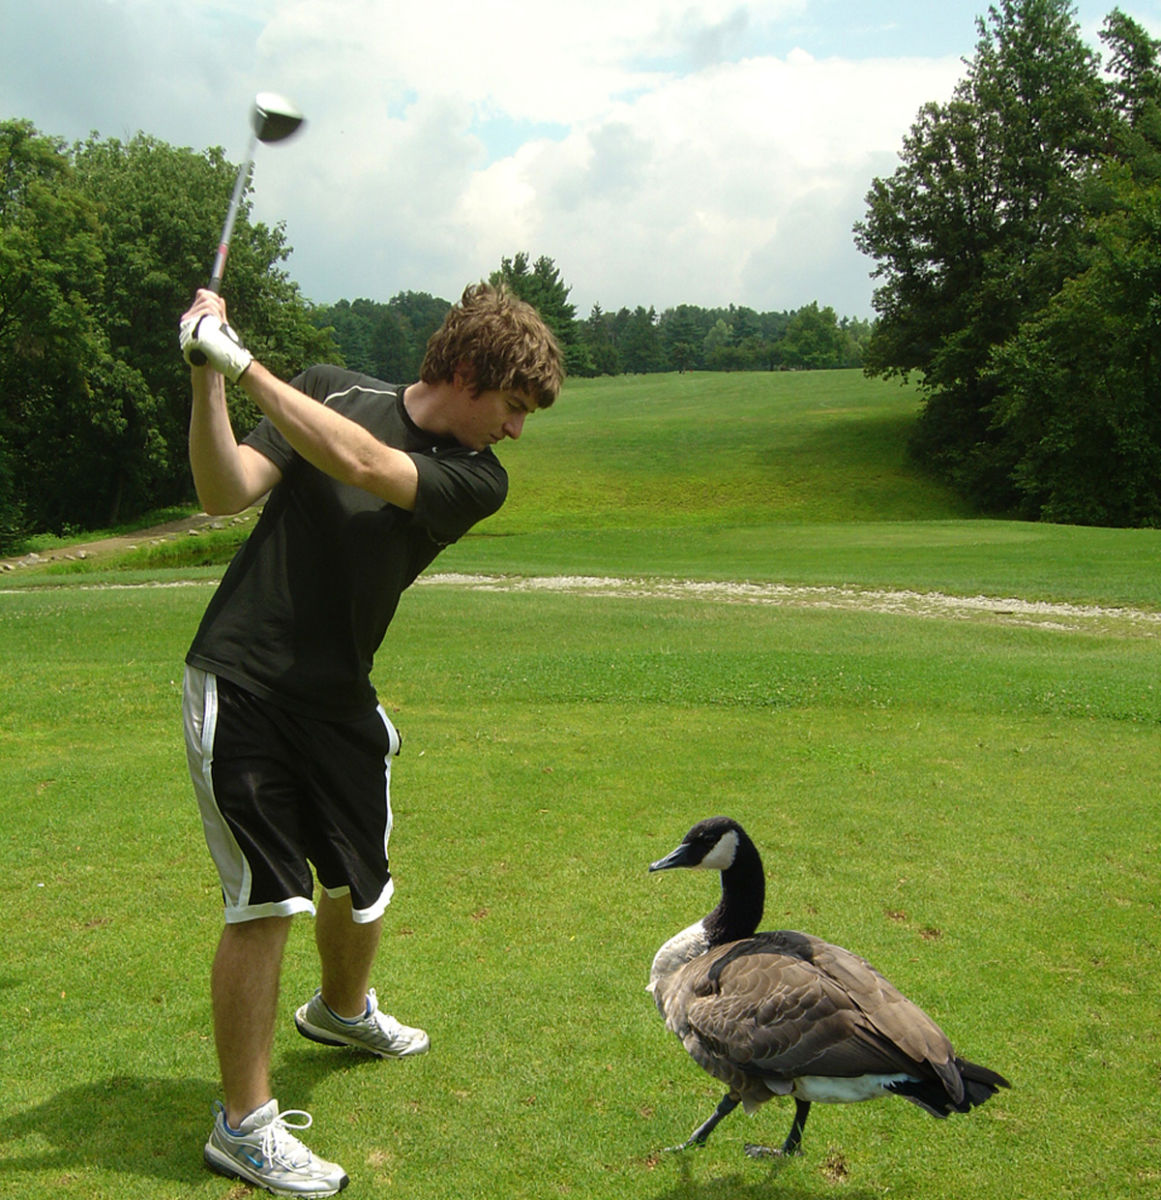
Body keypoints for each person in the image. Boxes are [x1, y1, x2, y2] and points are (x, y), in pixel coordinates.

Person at [178, 283, 563, 1197]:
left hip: (340, 698)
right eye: (511, 407)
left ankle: (341, 1012)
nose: (515, 431)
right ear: (467, 373)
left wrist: (242, 361)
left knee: (364, 884)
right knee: (267, 902)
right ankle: (244, 1125)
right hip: (245, 678)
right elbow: (223, 489)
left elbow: (361, 464)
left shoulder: (477, 479)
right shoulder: (330, 387)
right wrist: (207, 379)